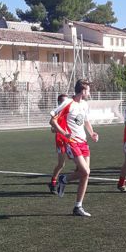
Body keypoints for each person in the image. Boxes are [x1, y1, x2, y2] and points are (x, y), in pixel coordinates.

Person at [50, 80, 99, 217]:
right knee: (85, 171)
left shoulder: (84, 104)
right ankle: (63, 179)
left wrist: (92, 133)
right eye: (88, 90)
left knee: (85, 174)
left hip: (83, 142)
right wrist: (63, 133)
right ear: (83, 91)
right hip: (72, 142)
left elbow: (86, 121)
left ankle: (78, 206)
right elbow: (52, 120)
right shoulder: (67, 103)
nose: (89, 93)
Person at [48, 93, 70, 194]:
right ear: (60, 103)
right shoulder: (57, 113)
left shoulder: (70, 110)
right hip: (61, 140)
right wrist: (60, 130)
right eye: (64, 101)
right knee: (61, 164)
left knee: (80, 161)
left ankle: (70, 178)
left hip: (71, 139)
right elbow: (52, 129)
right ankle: (53, 183)